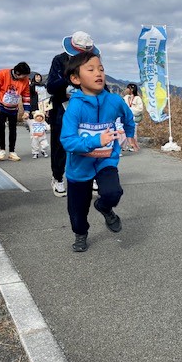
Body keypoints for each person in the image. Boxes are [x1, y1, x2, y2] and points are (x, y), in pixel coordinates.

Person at [60, 50, 138, 253]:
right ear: (75, 78)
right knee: (77, 209)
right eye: (91, 69)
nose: (99, 73)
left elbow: (128, 116)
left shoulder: (114, 101)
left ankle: (104, 207)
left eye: (101, 69)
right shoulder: (75, 107)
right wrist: (97, 140)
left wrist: (130, 134)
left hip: (105, 160)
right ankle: (81, 234)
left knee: (113, 193)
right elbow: (67, 141)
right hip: (79, 165)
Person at [47, 31, 101, 197]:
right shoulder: (59, 60)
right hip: (62, 108)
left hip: (85, 108)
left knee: (87, 141)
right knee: (60, 145)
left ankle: (89, 176)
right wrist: (69, 77)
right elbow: (51, 87)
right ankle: (58, 178)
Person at [0, 62, 31, 161]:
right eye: (23, 75)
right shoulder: (2, 74)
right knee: (1, 128)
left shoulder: (25, 80)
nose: (25, 77)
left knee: (13, 130)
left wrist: (27, 111)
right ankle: (2, 150)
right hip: (1, 106)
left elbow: (26, 95)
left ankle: (12, 151)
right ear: (17, 73)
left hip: (14, 108)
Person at [122, 83, 144, 152]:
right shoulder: (126, 97)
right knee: (124, 131)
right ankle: (124, 146)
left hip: (134, 117)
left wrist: (130, 110)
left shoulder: (138, 98)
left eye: (128, 88)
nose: (127, 89)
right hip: (126, 117)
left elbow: (140, 109)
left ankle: (133, 145)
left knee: (133, 132)